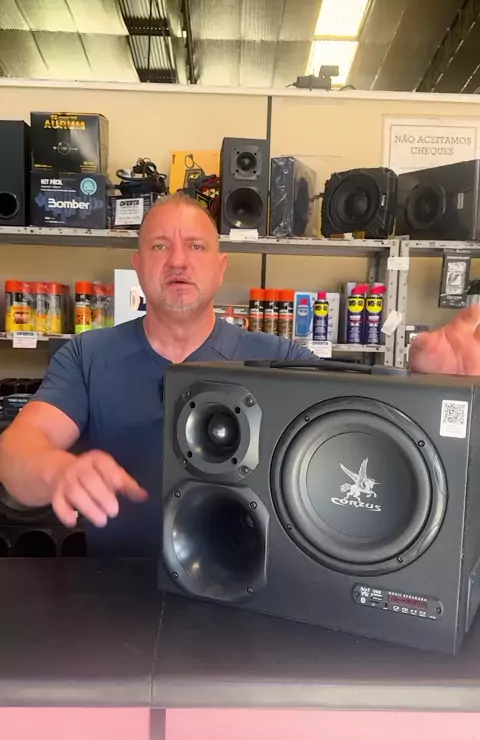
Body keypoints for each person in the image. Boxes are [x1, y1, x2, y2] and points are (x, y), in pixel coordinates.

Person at [0, 193, 480, 556]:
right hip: (116, 595)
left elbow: (367, 438)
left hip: (250, 600)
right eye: (160, 246)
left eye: (196, 246)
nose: (178, 260)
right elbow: (17, 451)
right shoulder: (87, 356)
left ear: (220, 266)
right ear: (139, 265)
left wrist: (435, 388)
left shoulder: (281, 360)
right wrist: (56, 470)